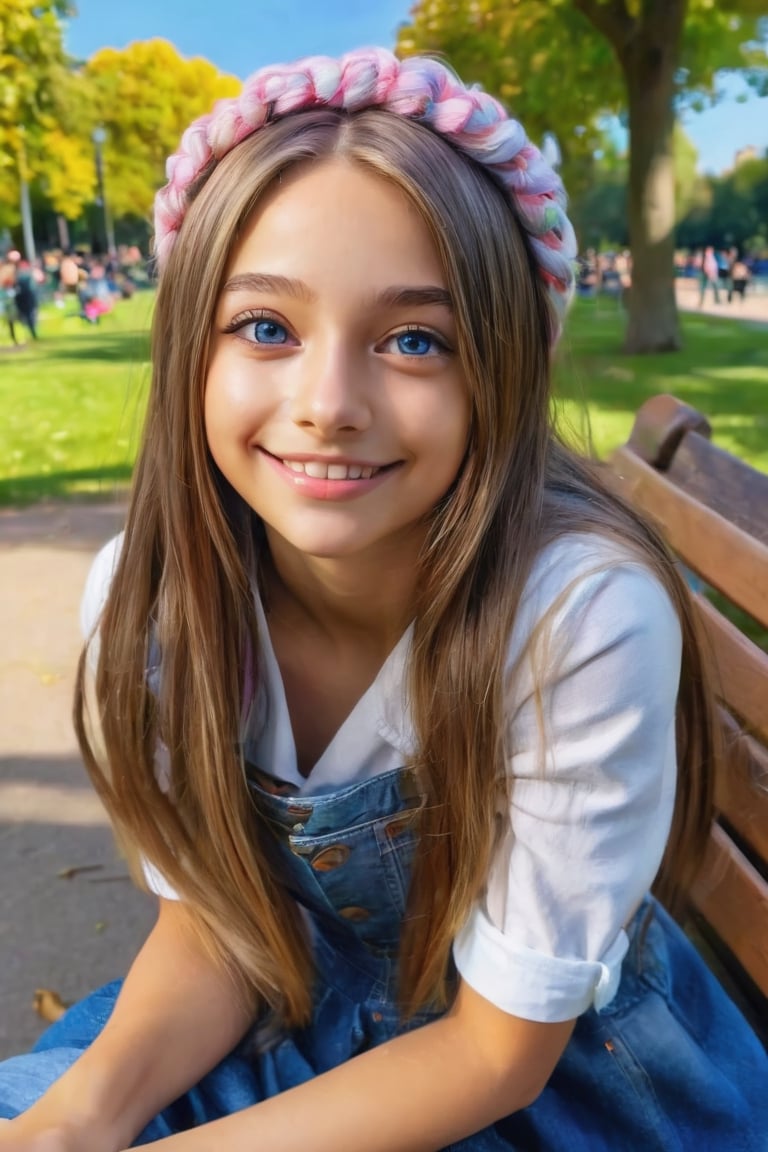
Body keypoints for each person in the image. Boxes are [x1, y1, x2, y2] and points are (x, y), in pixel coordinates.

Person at [0, 47, 765, 1151]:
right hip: (296, 1016)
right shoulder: (153, 609)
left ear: (498, 369)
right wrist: (74, 1126)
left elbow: (497, 1055)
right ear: (190, 352)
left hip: (558, 1088)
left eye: (414, 340)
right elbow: (220, 931)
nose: (328, 405)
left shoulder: (576, 621)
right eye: (266, 327)